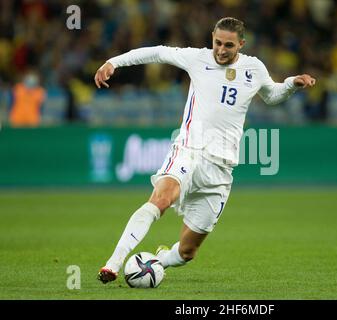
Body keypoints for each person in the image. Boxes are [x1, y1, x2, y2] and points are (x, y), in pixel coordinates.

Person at [94, 17, 316, 284]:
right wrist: (113, 62)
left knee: (187, 251)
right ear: (212, 37)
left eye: (229, 45)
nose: (221, 50)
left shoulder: (254, 68)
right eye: (218, 42)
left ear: (241, 44)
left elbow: (272, 96)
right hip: (190, 149)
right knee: (161, 199)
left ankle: (157, 261)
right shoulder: (197, 58)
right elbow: (156, 52)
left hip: (221, 169)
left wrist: (292, 84)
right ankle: (113, 264)